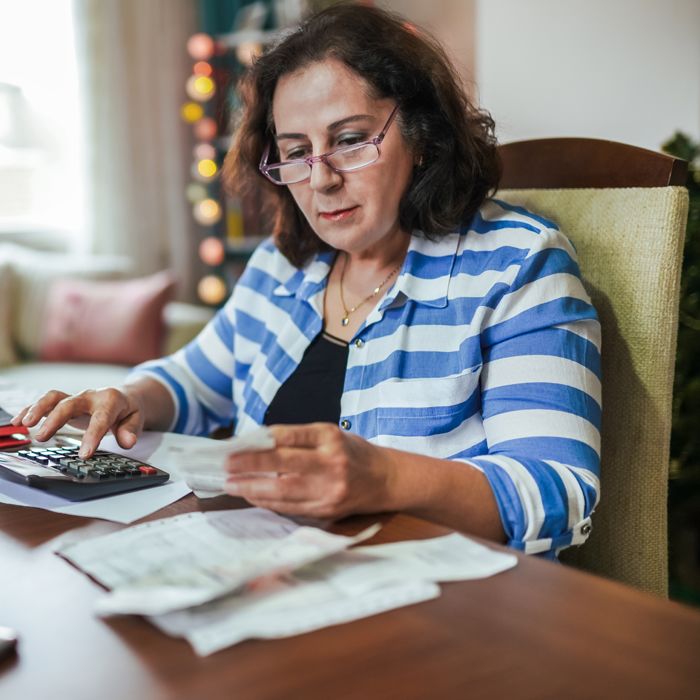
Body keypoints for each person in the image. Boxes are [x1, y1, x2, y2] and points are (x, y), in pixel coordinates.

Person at [12, 4, 601, 558]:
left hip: (436, 612)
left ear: (421, 136)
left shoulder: (518, 264)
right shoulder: (285, 262)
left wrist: (385, 477)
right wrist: (129, 398)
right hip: (269, 570)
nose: (320, 180)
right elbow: (198, 379)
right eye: (297, 151)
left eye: (349, 140)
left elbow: (557, 490)